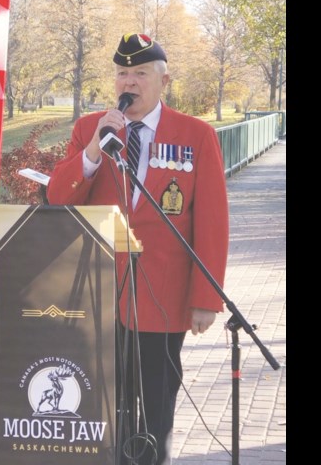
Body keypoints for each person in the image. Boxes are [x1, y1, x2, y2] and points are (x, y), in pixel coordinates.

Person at [46, 33, 230, 465]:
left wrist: (206, 298)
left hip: (161, 298)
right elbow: (58, 197)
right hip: (97, 296)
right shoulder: (88, 128)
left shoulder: (196, 135)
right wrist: (92, 148)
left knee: (154, 407)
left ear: (162, 80)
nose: (129, 82)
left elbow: (211, 223)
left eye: (140, 73)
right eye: (122, 73)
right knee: (101, 403)